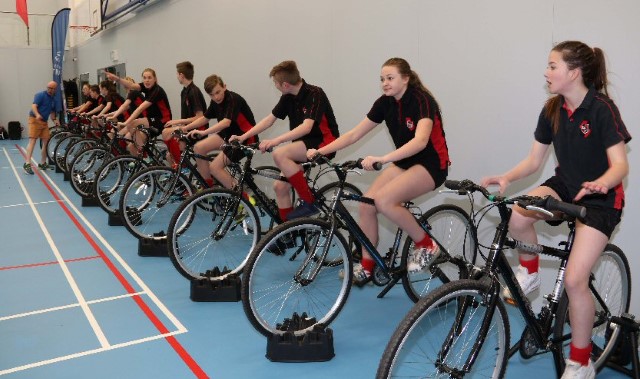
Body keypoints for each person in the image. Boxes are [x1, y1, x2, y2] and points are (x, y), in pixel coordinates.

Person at [481, 41, 631, 379]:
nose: (546, 73)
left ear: (574, 72)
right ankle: (530, 272)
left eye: (552, 66)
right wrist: (506, 176)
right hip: (566, 185)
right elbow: (535, 161)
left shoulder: (601, 109)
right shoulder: (552, 109)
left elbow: (620, 164)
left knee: (576, 281)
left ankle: (581, 361)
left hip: (601, 200)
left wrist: (603, 182)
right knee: (519, 212)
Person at [306, 57, 450, 284]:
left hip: (431, 164)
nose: (385, 83)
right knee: (366, 204)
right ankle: (367, 266)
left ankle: (427, 245)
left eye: (390, 78)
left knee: (384, 201)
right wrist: (321, 151)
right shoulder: (385, 103)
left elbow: (421, 141)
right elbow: (354, 135)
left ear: (406, 78)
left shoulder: (422, 100)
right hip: (405, 163)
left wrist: (383, 159)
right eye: (382, 79)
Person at [230, 60, 340, 222]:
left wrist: (276, 141)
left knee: (280, 154)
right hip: (301, 146)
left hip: (324, 143)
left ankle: (310, 202)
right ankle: (287, 233)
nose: (274, 85)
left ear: (285, 84)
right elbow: (269, 119)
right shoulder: (287, 97)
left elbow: (307, 127)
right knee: (280, 188)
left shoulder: (315, 93)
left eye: (275, 82)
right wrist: (243, 136)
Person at [184, 74, 257, 190]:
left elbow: (225, 123)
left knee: (214, 167)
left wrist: (204, 132)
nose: (216, 97)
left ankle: (244, 202)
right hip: (228, 135)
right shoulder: (215, 102)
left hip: (244, 138)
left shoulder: (233, 99)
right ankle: (208, 188)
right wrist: (185, 128)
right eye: (211, 95)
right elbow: (205, 118)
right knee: (198, 148)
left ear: (224, 87)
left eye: (218, 92)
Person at [106, 68, 172, 157]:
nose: (147, 80)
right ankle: (144, 162)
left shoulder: (157, 91)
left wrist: (126, 122)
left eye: (149, 78)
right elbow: (132, 85)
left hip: (162, 120)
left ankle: (143, 153)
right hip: (149, 120)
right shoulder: (145, 87)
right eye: (144, 78)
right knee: (131, 147)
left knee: (131, 123)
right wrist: (117, 79)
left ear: (155, 79)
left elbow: (140, 108)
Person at [161, 61, 207, 168]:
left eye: (177, 74)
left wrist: (178, 122)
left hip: (198, 129)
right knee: (169, 156)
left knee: (165, 132)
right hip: (188, 128)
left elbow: (200, 117)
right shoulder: (185, 91)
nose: (177, 77)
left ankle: (182, 168)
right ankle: (179, 167)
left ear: (181, 75)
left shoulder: (194, 92)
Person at [23, 81, 61, 174]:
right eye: (49, 87)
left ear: (55, 89)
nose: (50, 90)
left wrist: (56, 121)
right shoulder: (40, 95)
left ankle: (43, 163)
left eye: (52, 88)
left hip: (44, 122)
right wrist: (37, 114)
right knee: (33, 140)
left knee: (46, 142)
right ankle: (27, 164)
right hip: (34, 120)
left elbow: (52, 114)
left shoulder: (54, 99)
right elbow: (34, 106)